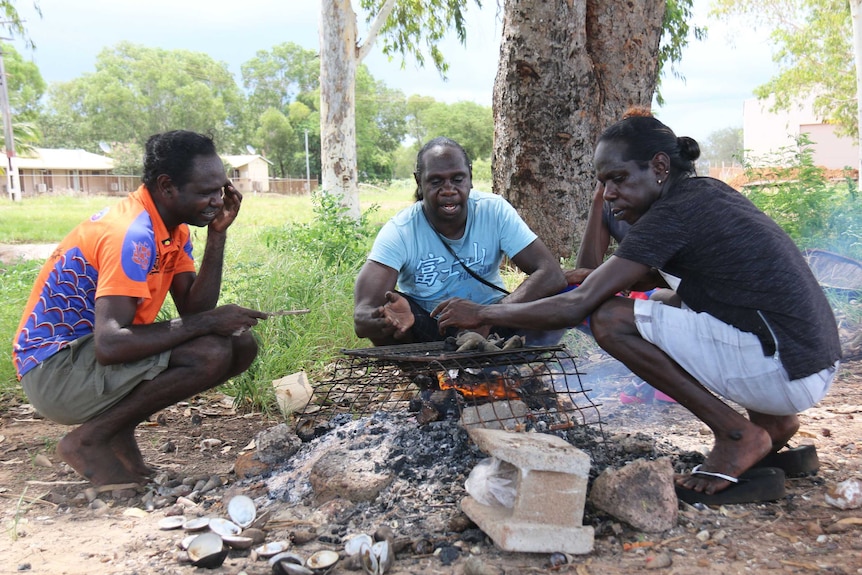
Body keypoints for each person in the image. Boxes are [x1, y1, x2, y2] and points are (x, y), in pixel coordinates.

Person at [431, 112, 841, 503]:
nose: (609, 193)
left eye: (618, 179)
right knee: (665, 300)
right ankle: (773, 424)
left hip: (783, 371)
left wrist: (484, 313)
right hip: (808, 363)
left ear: (659, 166)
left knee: (611, 319)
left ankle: (738, 435)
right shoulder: (704, 195)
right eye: (603, 183)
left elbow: (577, 307)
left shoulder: (672, 215)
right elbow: (652, 284)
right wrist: (598, 274)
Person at [12, 130, 269, 488]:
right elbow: (111, 345)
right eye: (206, 192)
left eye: (221, 189)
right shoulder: (131, 233)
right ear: (167, 187)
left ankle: (116, 431)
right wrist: (211, 320)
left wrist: (218, 234)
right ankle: (89, 441)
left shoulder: (171, 228)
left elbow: (195, 306)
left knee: (239, 344)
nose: (217, 200)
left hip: (80, 361)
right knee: (210, 350)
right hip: (56, 371)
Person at [353, 137, 567, 346]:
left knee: (560, 295)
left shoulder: (494, 210)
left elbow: (551, 274)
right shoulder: (400, 230)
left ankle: (516, 372)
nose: (448, 190)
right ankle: (431, 379)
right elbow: (363, 312)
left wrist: (486, 315)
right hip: (433, 333)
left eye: (457, 179)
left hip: (495, 323)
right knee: (392, 308)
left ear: (470, 177)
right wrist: (382, 319)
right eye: (436, 181)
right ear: (419, 181)